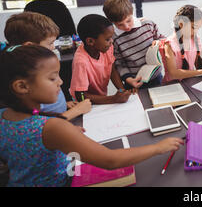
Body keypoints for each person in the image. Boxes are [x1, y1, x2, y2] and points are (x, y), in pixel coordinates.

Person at [0, 45, 184, 187]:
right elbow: (110, 160)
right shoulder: (51, 127)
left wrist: (64, 135)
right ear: (22, 86)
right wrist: (158, 147)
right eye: (52, 78)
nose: (61, 82)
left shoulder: (4, 115)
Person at [3, 12, 90, 120]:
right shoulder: (28, 79)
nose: (53, 47)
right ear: (30, 46)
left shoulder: (38, 70)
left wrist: (64, 104)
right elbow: (36, 116)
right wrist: (76, 111)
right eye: (50, 43)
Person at [103, 0, 165, 90]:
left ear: (132, 13)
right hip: (133, 82)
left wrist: (158, 42)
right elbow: (119, 63)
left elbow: (162, 39)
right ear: (112, 23)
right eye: (120, 24)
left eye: (128, 21)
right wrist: (128, 79)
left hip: (156, 76)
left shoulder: (148, 24)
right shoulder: (114, 39)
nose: (127, 26)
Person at [70, 14, 132, 104]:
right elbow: (80, 95)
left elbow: (112, 70)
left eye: (111, 37)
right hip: (84, 104)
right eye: (107, 39)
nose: (112, 41)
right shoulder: (81, 62)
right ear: (90, 41)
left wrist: (122, 91)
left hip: (101, 99)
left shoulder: (106, 48)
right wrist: (113, 99)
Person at [161, 5, 202, 83]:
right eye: (193, 28)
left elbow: (197, 65)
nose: (195, 32)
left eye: (198, 28)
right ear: (181, 24)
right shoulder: (169, 44)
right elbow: (173, 74)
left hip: (189, 82)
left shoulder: (195, 40)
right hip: (172, 86)